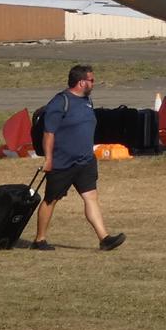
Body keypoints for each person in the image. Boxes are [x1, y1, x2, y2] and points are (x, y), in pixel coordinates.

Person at [32, 64, 126, 252]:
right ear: (81, 82)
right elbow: (48, 134)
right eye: (91, 80)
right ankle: (39, 239)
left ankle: (104, 238)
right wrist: (48, 159)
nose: (94, 83)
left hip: (85, 161)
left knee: (91, 197)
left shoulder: (87, 101)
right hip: (62, 162)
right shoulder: (59, 103)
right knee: (51, 199)